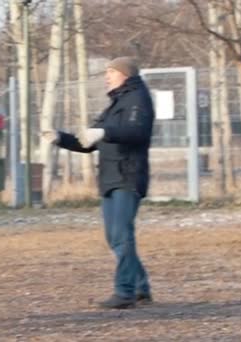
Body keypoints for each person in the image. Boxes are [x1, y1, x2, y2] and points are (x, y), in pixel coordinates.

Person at [42, 56, 154, 309]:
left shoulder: (138, 99)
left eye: (111, 72)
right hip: (110, 178)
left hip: (128, 175)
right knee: (114, 237)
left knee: (122, 236)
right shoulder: (114, 105)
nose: (107, 76)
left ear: (125, 74)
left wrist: (106, 132)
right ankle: (140, 287)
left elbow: (138, 132)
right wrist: (60, 138)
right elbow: (87, 143)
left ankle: (125, 292)